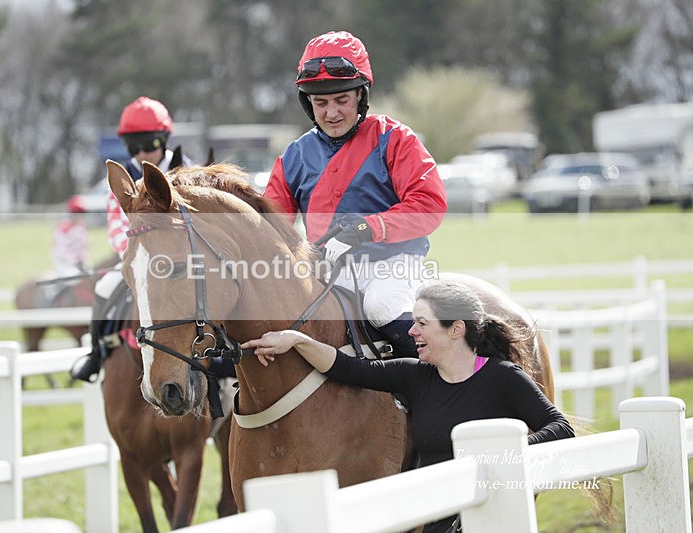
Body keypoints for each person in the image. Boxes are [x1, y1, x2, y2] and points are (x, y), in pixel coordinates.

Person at [242, 280, 574, 533]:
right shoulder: (414, 375)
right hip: (434, 522)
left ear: (456, 329)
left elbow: (561, 429)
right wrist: (298, 340)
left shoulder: (503, 377)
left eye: (422, 324)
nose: (411, 331)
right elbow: (346, 368)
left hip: (490, 518)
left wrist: (498, 454)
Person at [263, 30, 447, 358]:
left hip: (392, 265)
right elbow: (270, 223)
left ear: (360, 96)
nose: (331, 112)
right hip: (328, 271)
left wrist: (366, 229)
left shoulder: (395, 139)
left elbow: (429, 205)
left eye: (341, 100)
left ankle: (447, 388)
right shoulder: (294, 156)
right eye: (321, 102)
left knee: (381, 306)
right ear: (308, 104)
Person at [70, 96, 195, 382]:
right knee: (104, 286)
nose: (141, 154)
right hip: (139, 256)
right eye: (133, 147)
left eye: (148, 145)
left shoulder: (188, 172)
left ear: (163, 139)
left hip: (185, 257)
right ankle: (96, 353)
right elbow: (115, 223)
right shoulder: (122, 178)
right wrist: (136, 249)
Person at [51, 196, 90, 278]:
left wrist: (82, 261)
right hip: (64, 262)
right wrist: (75, 261)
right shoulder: (64, 228)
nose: (79, 215)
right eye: (76, 212)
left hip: (79, 262)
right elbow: (62, 250)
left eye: (81, 212)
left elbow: (84, 246)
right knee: (73, 277)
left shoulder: (81, 227)